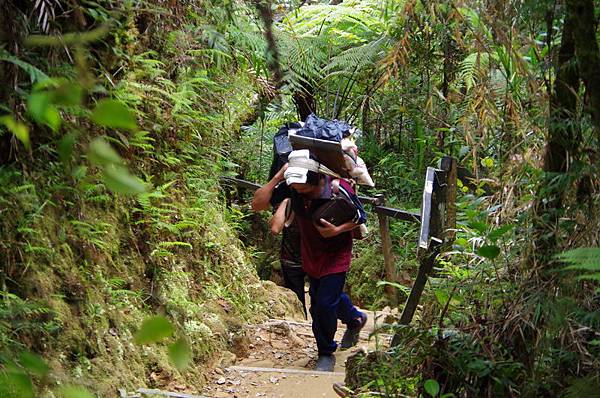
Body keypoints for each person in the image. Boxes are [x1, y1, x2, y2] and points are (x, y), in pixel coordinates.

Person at [269, 149, 368, 372]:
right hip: (311, 253)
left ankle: (325, 352)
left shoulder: (338, 187)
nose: (299, 192)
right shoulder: (292, 188)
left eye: (303, 188)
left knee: (322, 303)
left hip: (337, 253)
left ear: (316, 178)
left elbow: (360, 216)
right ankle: (354, 319)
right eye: (295, 187)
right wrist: (277, 178)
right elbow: (261, 202)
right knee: (326, 297)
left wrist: (337, 230)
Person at [252, 164, 307, 317]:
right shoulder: (286, 189)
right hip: (292, 258)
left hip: (316, 256)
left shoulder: (324, 186)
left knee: (323, 303)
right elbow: (257, 205)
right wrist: (277, 177)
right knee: (298, 302)